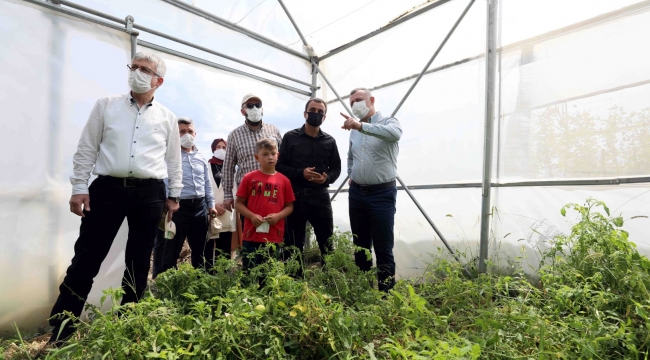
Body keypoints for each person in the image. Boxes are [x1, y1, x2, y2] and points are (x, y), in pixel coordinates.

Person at [49, 52, 182, 344]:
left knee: (138, 259)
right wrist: (79, 187)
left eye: (144, 69)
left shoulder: (167, 118)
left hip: (150, 194)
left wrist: (173, 195)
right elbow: (86, 148)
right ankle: (60, 332)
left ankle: (128, 324)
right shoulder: (106, 105)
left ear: (158, 80)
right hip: (107, 189)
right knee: (87, 258)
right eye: (133, 67)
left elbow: (173, 161)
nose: (136, 71)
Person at [340, 87, 402, 292]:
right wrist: (352, 174)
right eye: (352, 102)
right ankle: (364, 291)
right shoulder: (354, 132)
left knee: (383, 247)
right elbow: (351, 156)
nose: (354, 104)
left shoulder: (389, 122)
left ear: (371, 100)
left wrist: (361, 126)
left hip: (381, 194)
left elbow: (394, 135)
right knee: (360, 246)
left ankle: (385, 295)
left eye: (358, 100)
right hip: (357, 193)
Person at [277, 98, 341, 275]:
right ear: (305, 113)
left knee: (326, 241)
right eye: (313, 110)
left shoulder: (330, 141)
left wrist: (326, 178)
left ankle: (329, 280)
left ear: (324, 117)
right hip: (296, 197)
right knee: (294, 243)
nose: (316, 114)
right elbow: (279, 166)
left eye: (321, 112)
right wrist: (301, 173)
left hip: (321, 197)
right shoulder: (291, 137)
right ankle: (294, 281)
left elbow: (337, 168)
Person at [235, 138, 295, 277]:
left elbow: (289, 206)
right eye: (265, 154)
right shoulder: (249, 178)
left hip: (274, 236)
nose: (270, 157)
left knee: (269, 276)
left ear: (278, 155)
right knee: (249, 273)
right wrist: (251, 216)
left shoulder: (284, 181)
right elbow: (238, 204)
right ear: (257, 157)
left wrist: (278, 216)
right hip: (251, 235)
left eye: (273, 154)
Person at [222, 94, 283, 225]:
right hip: (248, 193)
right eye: (250, 106)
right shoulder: (234, 135)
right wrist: (227, 195)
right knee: (250, 230)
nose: (255, 108)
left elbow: (282, 159)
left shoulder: (274, 130)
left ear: (262, 109)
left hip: (272, 190)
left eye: (258, 105)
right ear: (242, 111)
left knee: (274, 229)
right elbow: (228, 166)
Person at [207, 138, 237, 261]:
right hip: (210, 212)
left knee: (224, 249)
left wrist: (225, 205)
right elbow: (203, 187)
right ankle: (208, 275)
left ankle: (222, 277)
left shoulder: (232, 169)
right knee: (208, 249)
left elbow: (236, 189)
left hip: (227, 211)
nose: (221, 150)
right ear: (213, 149)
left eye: (224, 147)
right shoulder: (206, 166)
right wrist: (213, 205)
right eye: (218, 147)